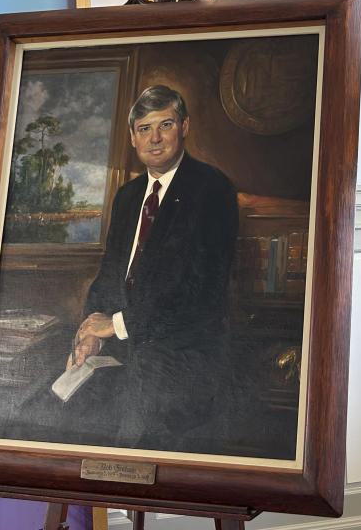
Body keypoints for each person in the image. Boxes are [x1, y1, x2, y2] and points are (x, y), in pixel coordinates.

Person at [64, 84, 238, 450]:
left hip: (185, 353)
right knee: (50, 400)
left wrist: (113, 325)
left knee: (129, 424)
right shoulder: (128, 197)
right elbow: (110, 273)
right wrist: (91, 330)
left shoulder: (212, 190)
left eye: (166, 125)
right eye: (145, 128)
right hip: (126, 346)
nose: (155, 138)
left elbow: (200, 296)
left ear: (185, 127)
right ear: (132, 138)